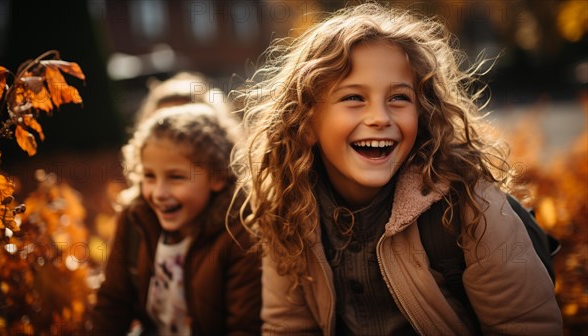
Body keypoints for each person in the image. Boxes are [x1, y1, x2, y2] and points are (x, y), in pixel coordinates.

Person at [231, 3, 562, 335]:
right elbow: (287, 327)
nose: (380, 117)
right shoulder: (288, 210)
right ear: (305, 123)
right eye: (353, 98)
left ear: (424, 112)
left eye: (399, 98)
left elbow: (525, 325)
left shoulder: (471, 206)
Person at [91, 103, 262, 335]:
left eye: (176, 177)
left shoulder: (240, 235)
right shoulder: (135, 219)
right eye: (149, 176)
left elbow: (244, 327)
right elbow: (113, 302)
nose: (159, 193)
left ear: (217, 177)